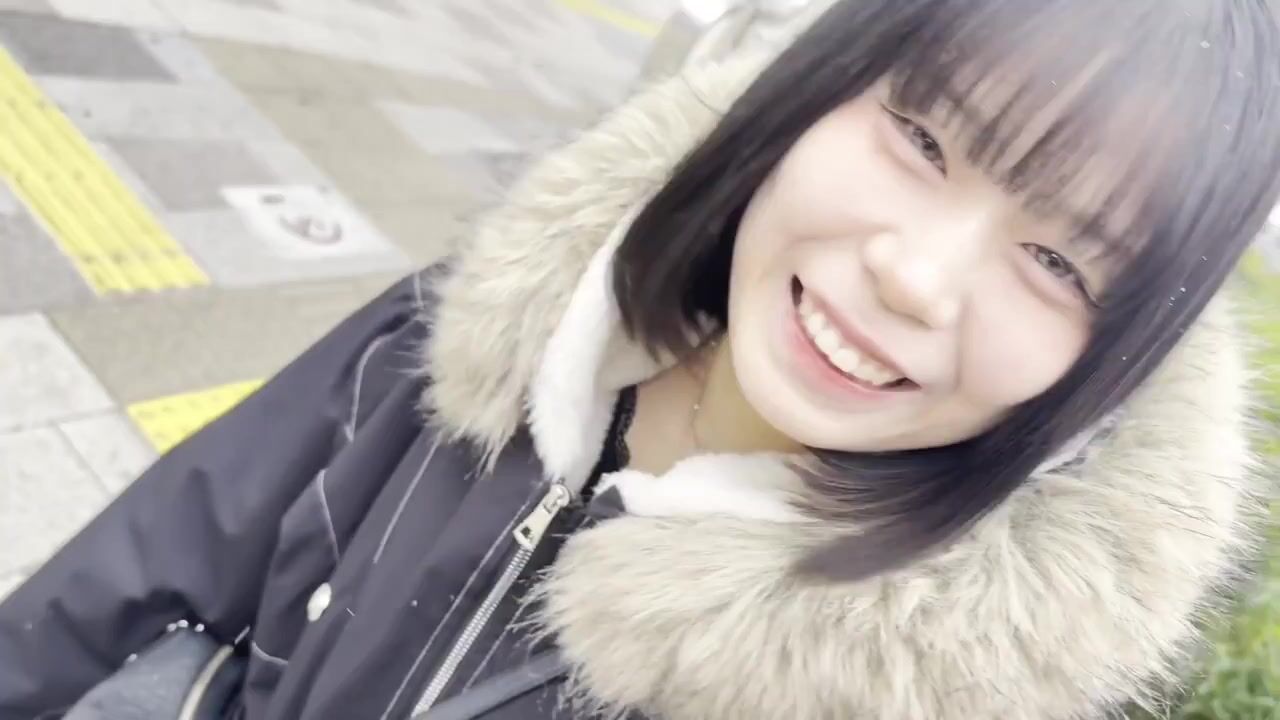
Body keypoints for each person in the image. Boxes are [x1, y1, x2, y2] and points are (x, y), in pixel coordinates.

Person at [3, 1, 1280, 718]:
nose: (914, 276)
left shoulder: (905, 695)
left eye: (1057, 262)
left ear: (1111, 369)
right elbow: (168, 547)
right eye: (923, 139)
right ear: (811, 90)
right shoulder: (483, 330)